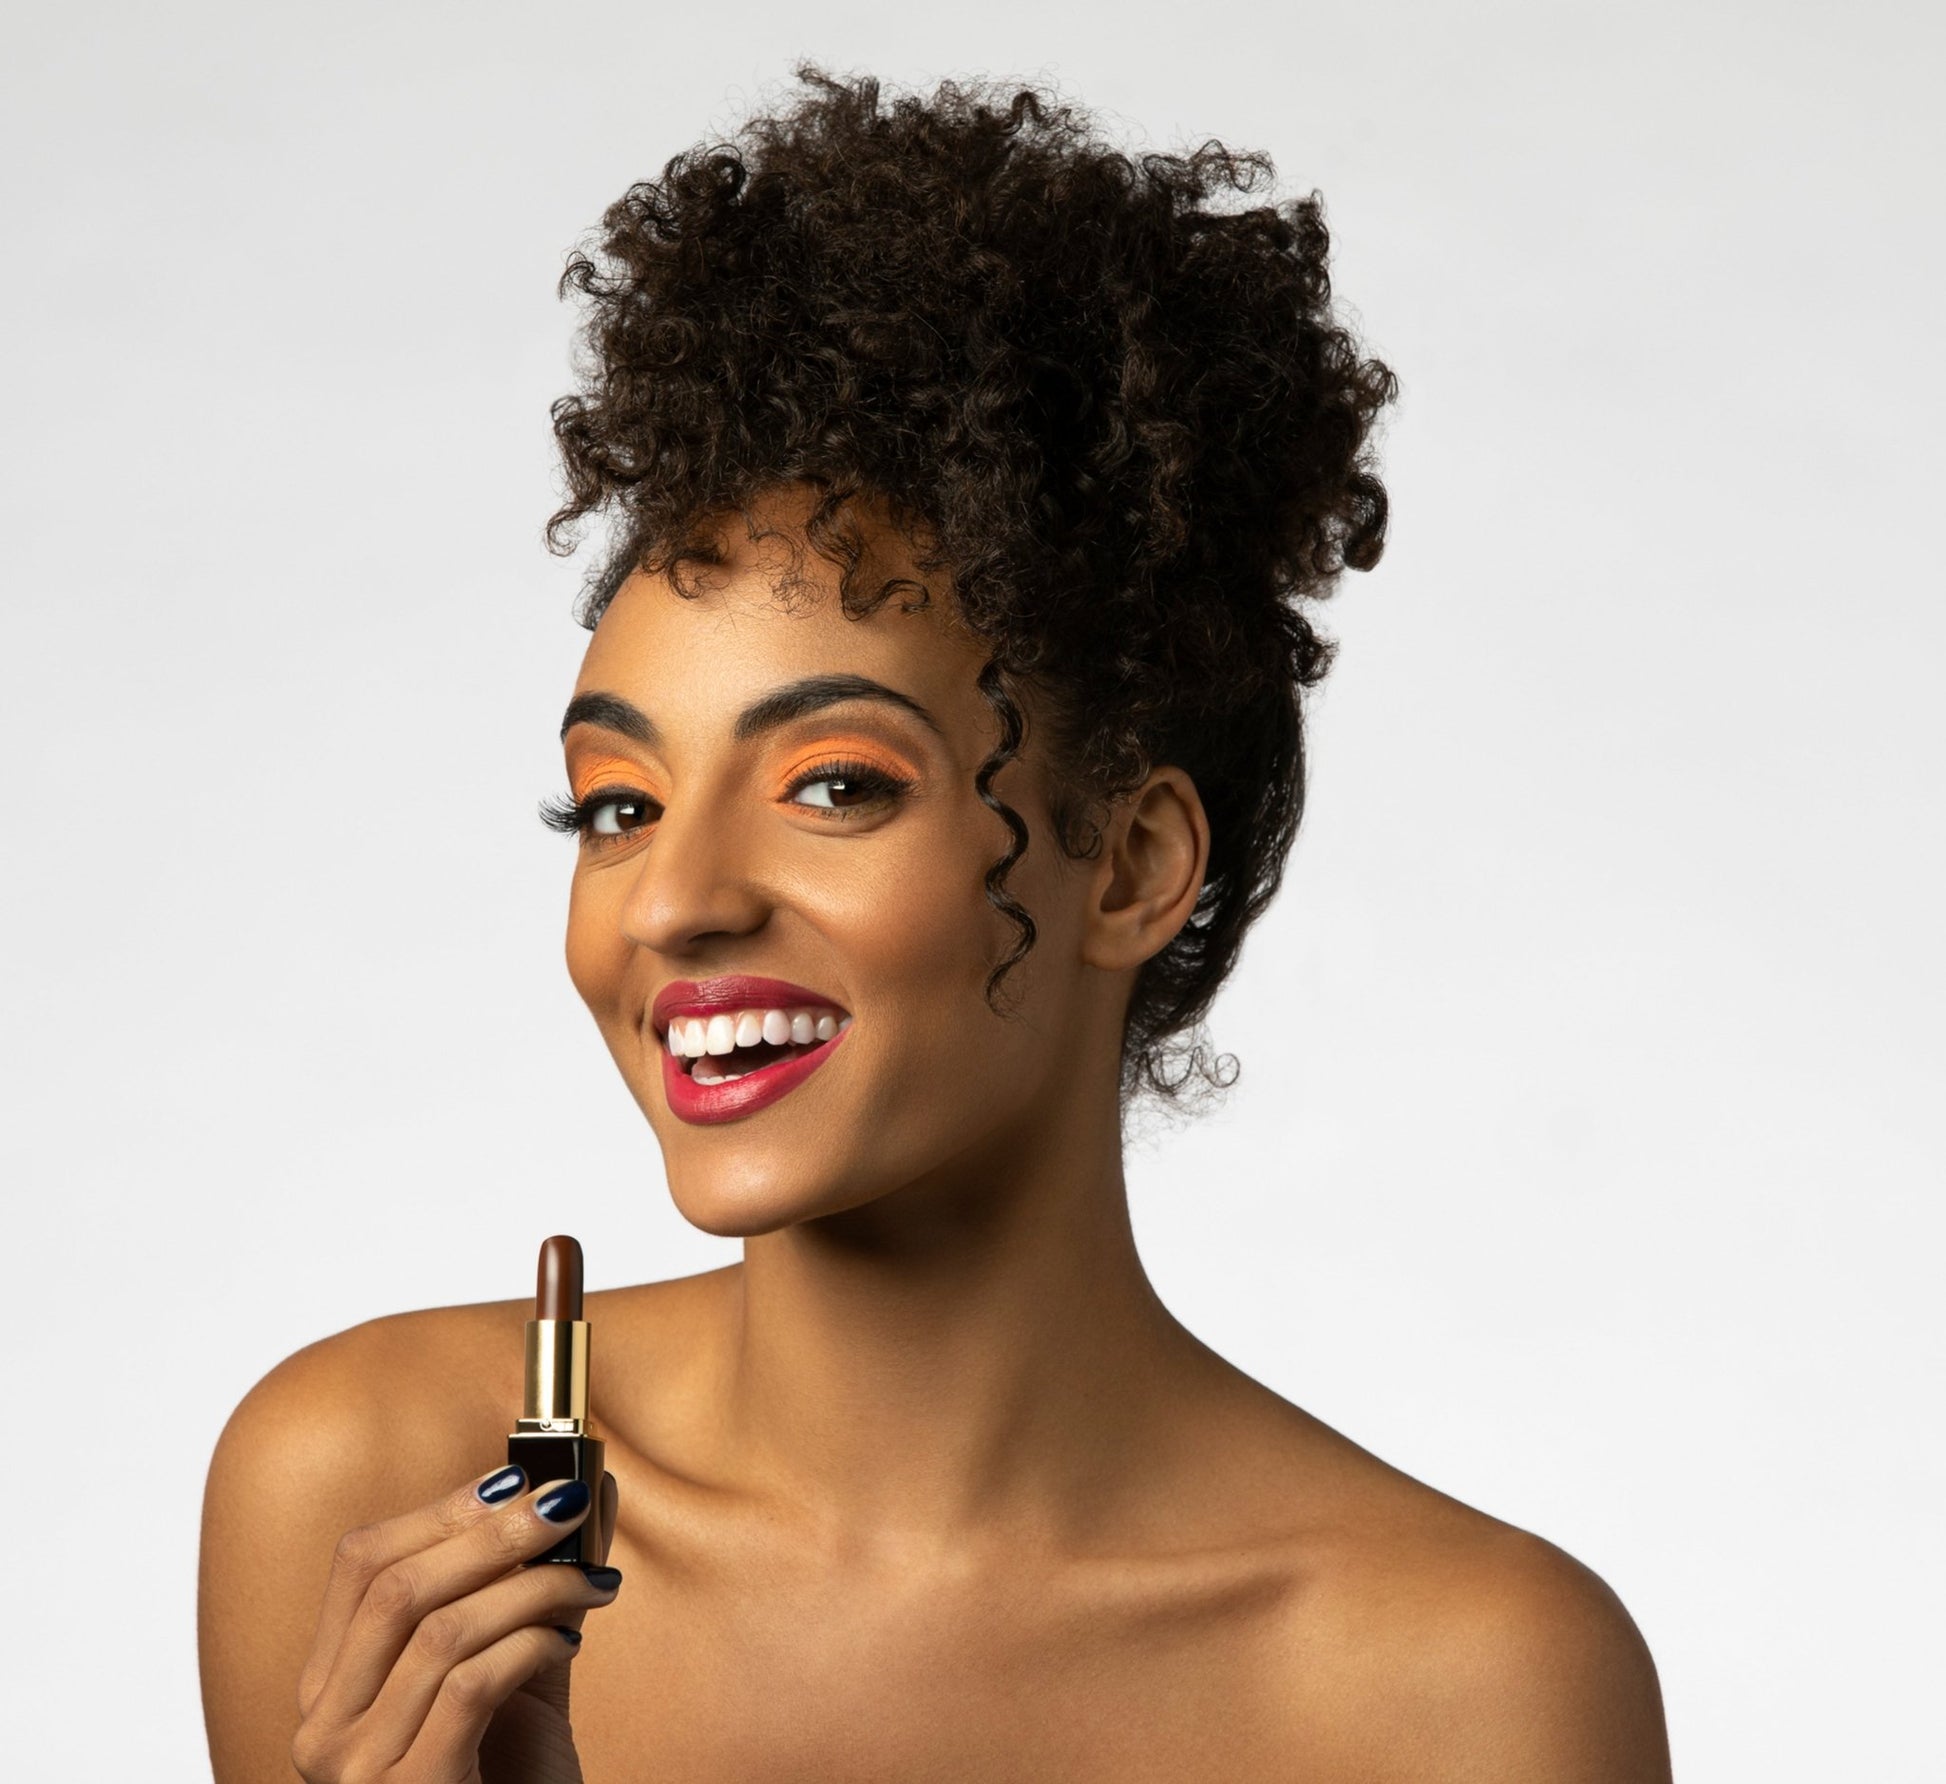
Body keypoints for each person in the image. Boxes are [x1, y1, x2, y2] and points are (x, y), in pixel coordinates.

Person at [199, 65, 1672, 1781]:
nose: (674, 902)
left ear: (1127, 865)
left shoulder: (1466, 1688)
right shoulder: (376, 1496)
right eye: (618, 805)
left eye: (834, 785)